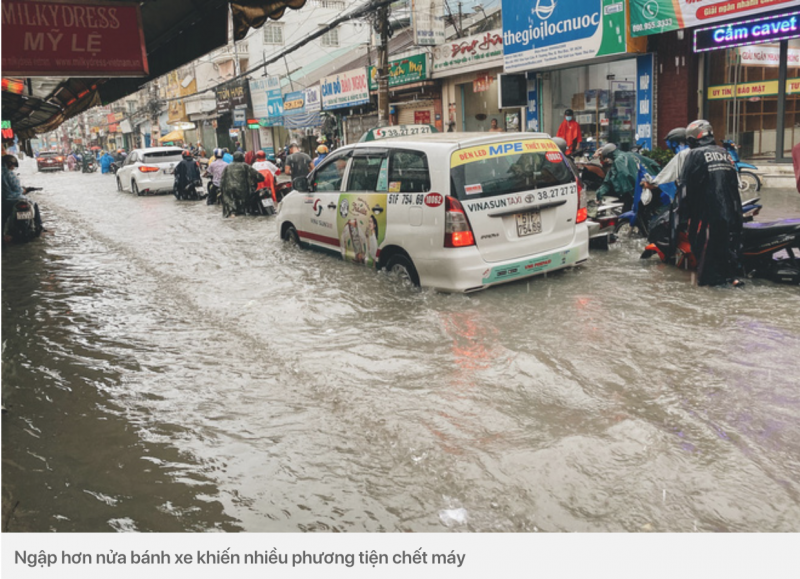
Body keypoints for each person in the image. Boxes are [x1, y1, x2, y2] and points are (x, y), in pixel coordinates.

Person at [678, 119, 744, 287]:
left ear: (693, 138)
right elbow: (734, 184)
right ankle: (731, 278)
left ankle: (711, 288)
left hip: (706, 216)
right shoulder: (724, 153)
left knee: (705, 257)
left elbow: (686, 188)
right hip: (730, 214)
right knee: (725, 249)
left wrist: (683, 217)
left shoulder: (694, 154)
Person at [2, 154, 43, 240]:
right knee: (34, 204)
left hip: (3, 201)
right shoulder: (10, 174)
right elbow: (18, 189)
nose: (13, 168)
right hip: (14, 199)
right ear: (9, 164)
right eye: (13, 166)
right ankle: (39, 226)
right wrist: (24, 190)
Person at [595, 143, 641, 208]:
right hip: (645, 188)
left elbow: (621, 176)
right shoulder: (631, 155)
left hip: (633, 193)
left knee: (627, 211)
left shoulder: (618, 161)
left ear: (609, 155)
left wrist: (599, 194)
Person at [219, 151, 264, 217]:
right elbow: (258, 176)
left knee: (231, 208)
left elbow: (222, 180)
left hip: (228, 190)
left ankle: (232, 214)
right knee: (244, 209)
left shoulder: (227, 167)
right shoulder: (245, 166)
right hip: (242, 189)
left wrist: (222, 190)